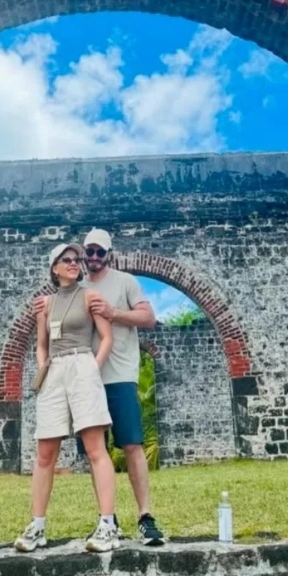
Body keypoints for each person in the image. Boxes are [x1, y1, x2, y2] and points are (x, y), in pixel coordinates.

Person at [14, 242, 120, 554]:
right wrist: (43, 368)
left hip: (82, 363)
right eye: (67, 260)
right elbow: (41, 343)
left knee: (95, 448)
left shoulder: (90, 296)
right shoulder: (44, 305)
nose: (74, 263)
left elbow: (107, 337)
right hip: (54, 370)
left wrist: (92, 367)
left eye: (76, 259)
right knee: (45, 452)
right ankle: (36, 525)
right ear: (54, 268)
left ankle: (107, 524)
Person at [79, 228, 166, 546]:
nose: (94, 257)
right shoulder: (78, 287)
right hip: (88, 378)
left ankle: (145, 516)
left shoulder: (125, 282)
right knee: (95, 450)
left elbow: (148, 317)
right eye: (89, 251)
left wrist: (113, 312)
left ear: (109, 254)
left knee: (132, 444)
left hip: (120, 374)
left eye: (100, 252)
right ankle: (107, 519)